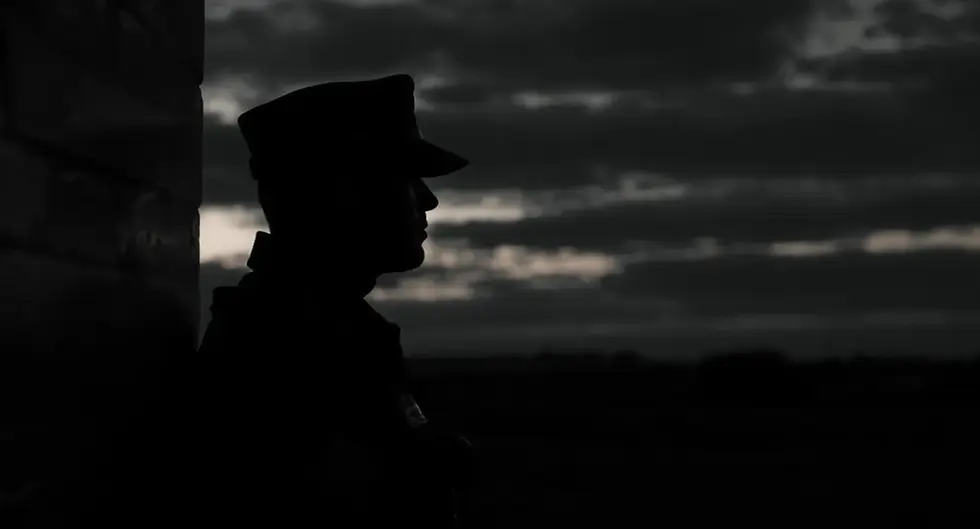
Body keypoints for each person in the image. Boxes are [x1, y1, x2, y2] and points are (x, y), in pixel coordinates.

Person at [186, 74, 475, 528]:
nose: (429, 199)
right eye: (406, 177)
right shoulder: (283, 346)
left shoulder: (318, 328)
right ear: (345, 191)